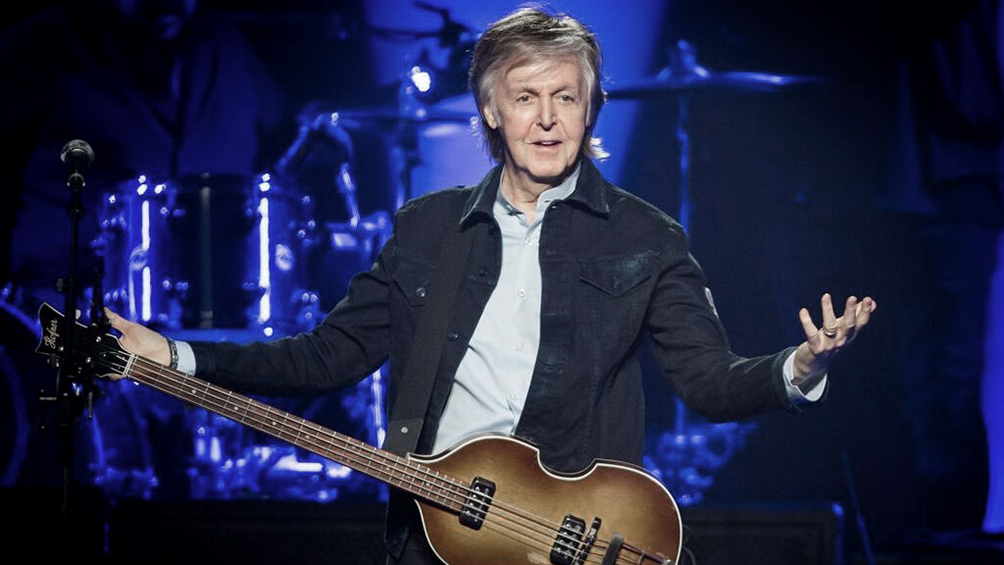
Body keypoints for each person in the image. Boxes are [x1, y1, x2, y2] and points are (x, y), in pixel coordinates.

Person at [104, 7, 876, 564]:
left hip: (573, 537)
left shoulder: (647, 236)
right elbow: (323, 356)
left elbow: (707, 381)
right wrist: (174, 354)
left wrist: (799, 366)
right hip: (434, 541)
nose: (547, 119)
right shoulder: (425, 229)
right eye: (525, 97)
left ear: (591, 108)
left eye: (565, 97)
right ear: (491, 111)